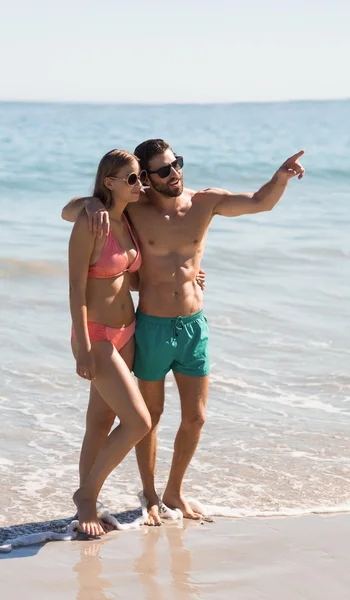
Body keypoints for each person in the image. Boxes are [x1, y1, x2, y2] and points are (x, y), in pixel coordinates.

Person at [62, 139, 305, 526]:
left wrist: (280, 178)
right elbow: (74, 213)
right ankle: (134, 496)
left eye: (177, 165)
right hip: (147, 327)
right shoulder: (131, 209)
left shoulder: (202, 202)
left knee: (192, 417)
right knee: (146, 418)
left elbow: (260, 202)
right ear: (143, 179)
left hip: (184, 325)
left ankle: (170, 490)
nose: (173, 174)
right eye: (160, 171)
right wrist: (88, 203)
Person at [68, 149, 152, 536]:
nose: (141, 185)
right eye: (132, 178)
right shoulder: (92, 222)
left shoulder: (127, 219)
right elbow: (76, 287)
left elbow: (129, 278)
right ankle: (85, 497)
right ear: (109, 182)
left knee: (101, 422)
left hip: (127, 332)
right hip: (99, 335)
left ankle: (91, 502)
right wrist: (82, 344)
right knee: (138, 421)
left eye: (141, 178)